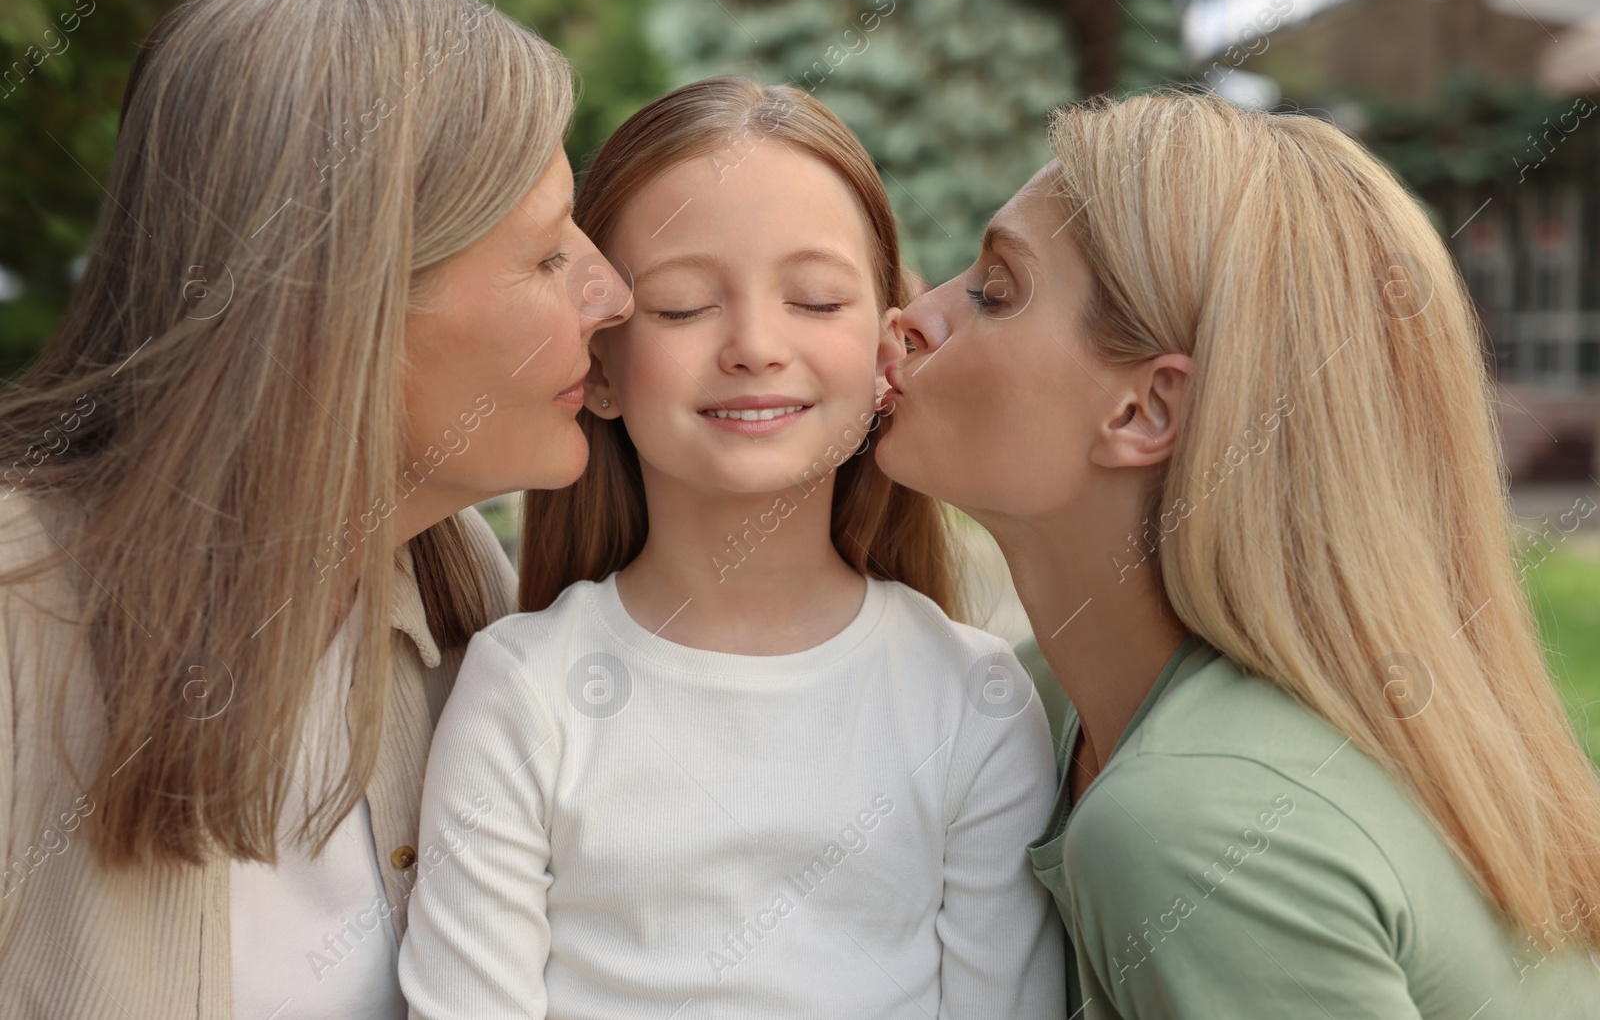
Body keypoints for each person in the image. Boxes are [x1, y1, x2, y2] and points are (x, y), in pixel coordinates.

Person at [875, 89, 1600, 1017]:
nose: (913, 316)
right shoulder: (1040, 705)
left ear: (1146, 410)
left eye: (996, 291)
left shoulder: (1192, 822)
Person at [0, 0, 629, 1018]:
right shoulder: (21, 609)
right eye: (544, 254)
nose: (612, 292)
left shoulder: (459, 584)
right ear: (349, 304)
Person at [397, 76, 1066, 1019]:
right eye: (679, 307)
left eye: (817, 300)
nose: (754, 343)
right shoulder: (522, 687)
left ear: (887, 353)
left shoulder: (977, 702)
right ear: (600, 369)